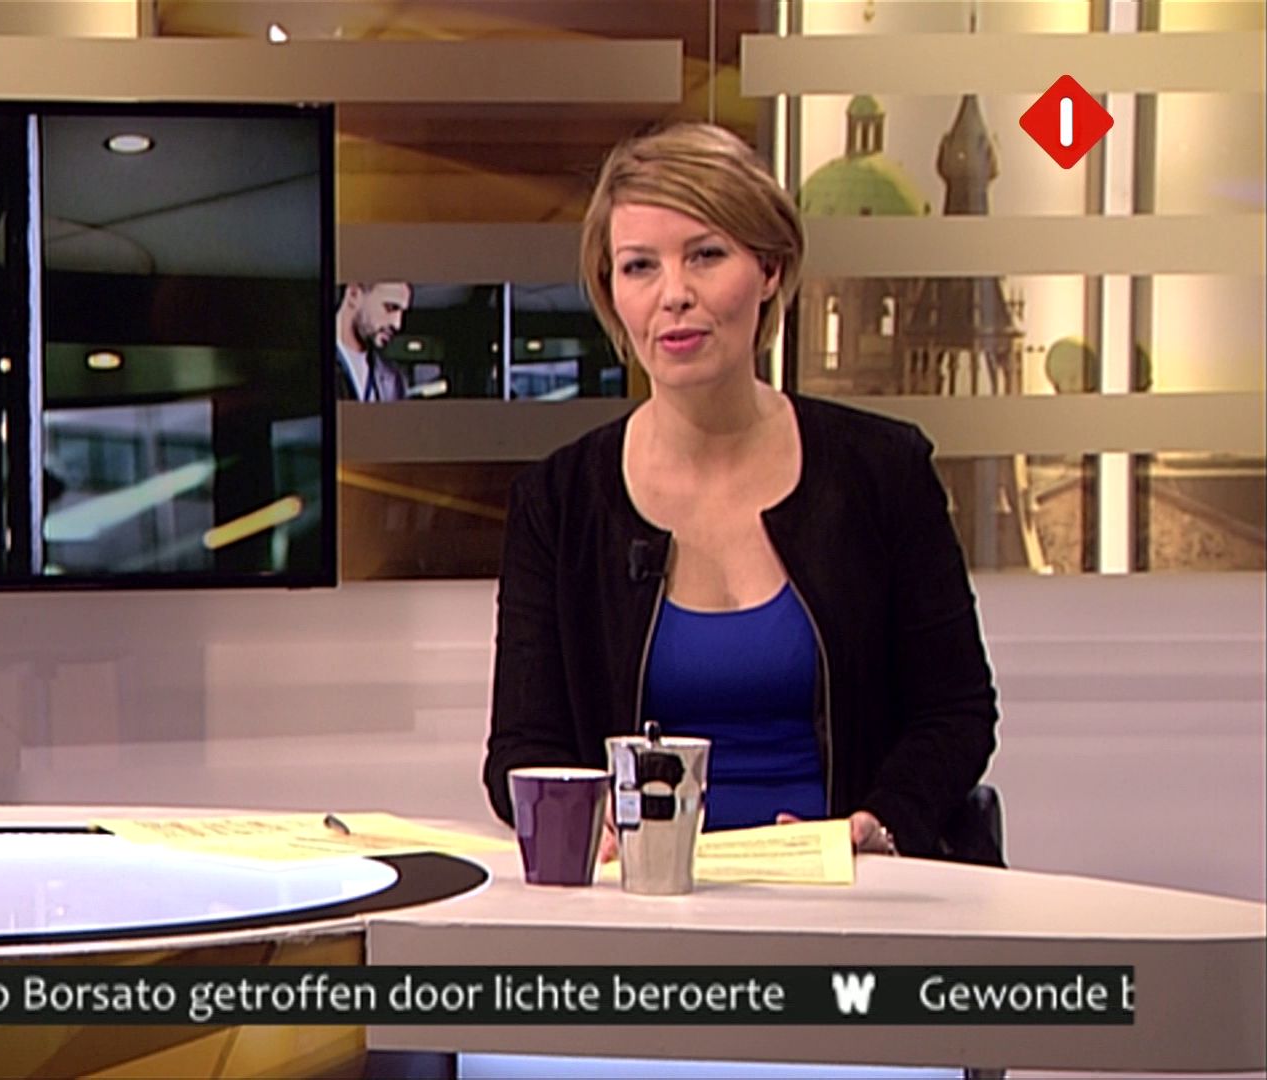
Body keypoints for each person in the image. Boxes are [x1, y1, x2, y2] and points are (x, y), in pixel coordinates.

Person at [481, 123, 999, 859]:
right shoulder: (559, 502)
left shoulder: (882, 471)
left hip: (847, 891)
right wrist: (584, 821)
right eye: (639, 266)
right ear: (612, 294)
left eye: (706, 255)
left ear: (770, 270)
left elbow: (955, 710)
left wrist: (878, 824)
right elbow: (521, 748)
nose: (674, 295)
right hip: (644, 901)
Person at [334, 281, 412, 401]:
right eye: (390, 307)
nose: (397, 324)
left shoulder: (394, 379)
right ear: (353, 294)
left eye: (402, 312)